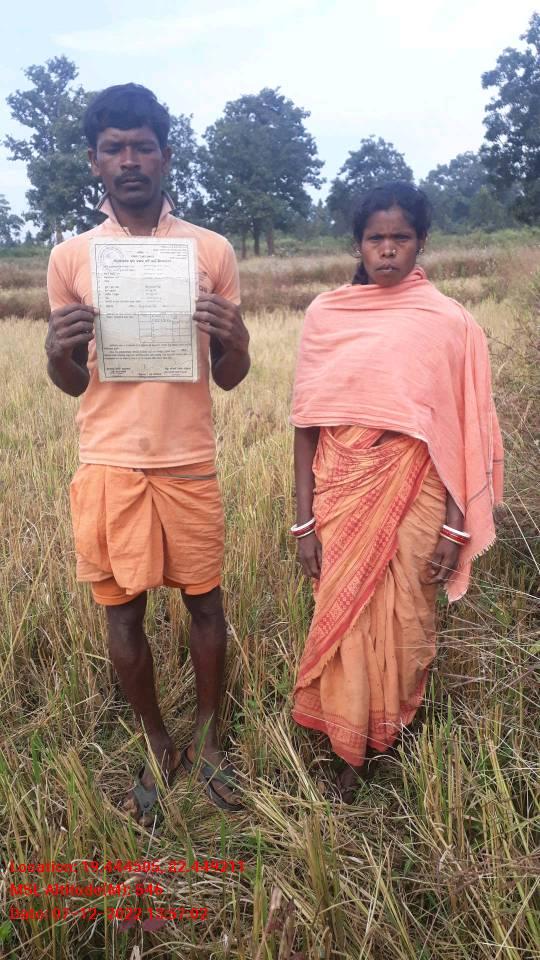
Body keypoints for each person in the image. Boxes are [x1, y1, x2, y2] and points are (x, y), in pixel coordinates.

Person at [45, 83, 250, 821]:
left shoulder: (210, 250)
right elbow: (72, 383)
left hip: (188, 459)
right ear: (95, 162)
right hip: (109, 461)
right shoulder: (71, 258)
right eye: (114, 149)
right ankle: (157, 741)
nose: (129, 160)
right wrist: (57, 351)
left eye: (142, 147)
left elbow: (230, 376)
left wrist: (237, 336)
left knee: (206, 606)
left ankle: (210, 740)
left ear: (166, 155)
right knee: (122, 615)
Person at [290, 182, 503, 802]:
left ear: (421, 241)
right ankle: (349, 747)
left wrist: (457, 525)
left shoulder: (447, 322)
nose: (388, 250)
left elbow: (462, 431)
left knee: (408, 614)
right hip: (341, 486)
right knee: (346, 614)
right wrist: (303, 523)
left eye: (400, 238)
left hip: (419, 489)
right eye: (375, 238)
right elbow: (306, 424)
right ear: (357, 244)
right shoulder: (326, 316)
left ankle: (389, 729)